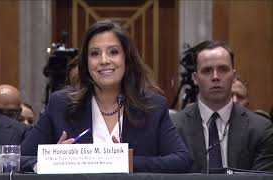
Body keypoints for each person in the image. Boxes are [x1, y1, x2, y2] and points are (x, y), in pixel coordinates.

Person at [21, 19, 191, 173]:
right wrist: (52, 160)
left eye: (113, 52)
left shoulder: (153, 106)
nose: (104, 60)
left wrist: (127, 162)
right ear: (86, 63)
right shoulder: (61, 104)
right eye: (95, 54)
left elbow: (181, 161)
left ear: (126, 58)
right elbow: (18, 159)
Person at [172, 40, 273, 173]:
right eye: (207, 70)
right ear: (196, 78)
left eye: (223, 69)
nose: (215, 77)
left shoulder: (261, 129)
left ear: (234, 76)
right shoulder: (173, 127)